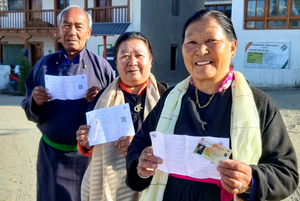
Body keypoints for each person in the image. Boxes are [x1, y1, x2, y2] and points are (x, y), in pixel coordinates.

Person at [126, 10, 299, 201]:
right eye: (191, 42)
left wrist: (250, 179)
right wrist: (141, 167)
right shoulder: (170, 99)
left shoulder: (259, 103)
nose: (201, 51)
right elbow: (139, 146)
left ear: (233, 47)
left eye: (211, 41)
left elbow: (286, 173)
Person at [21, 5, 114, 201]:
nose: (72, 32)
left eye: (78, 26)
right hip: (51, 158)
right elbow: (29, 110)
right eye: (66, 25)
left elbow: (113, 117)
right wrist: (35, 102)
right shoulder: (43, 66)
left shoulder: (102, 67)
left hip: (89, 158)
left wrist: (100, 100)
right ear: (58, 30)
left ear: (88, 33)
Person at [76, 32, 169, 201]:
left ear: (150, 60)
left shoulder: (167, 96)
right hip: (110, 184)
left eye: (139, 55)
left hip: (152, 181)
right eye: (124, 56)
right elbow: (90, 144)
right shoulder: (102, 98)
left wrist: (139, 146)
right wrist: (86, 142)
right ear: (117, 63)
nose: (132, 62)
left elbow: (175, 139)